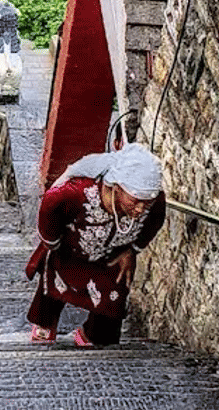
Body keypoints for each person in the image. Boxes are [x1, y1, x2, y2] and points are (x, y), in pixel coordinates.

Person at [25, 143, 167, 347]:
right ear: (117, 188)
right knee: (53, 288)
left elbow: (155, 221)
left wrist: (132, 250)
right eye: (136, 201)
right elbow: (50, 206)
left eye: (147, 202)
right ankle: (45, 325)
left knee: (111, 303)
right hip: (70, 250)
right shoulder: (76, 193)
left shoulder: (153, 203)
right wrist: (53, 242)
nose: (141, 208)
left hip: (112, 257)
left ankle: (92, 337)